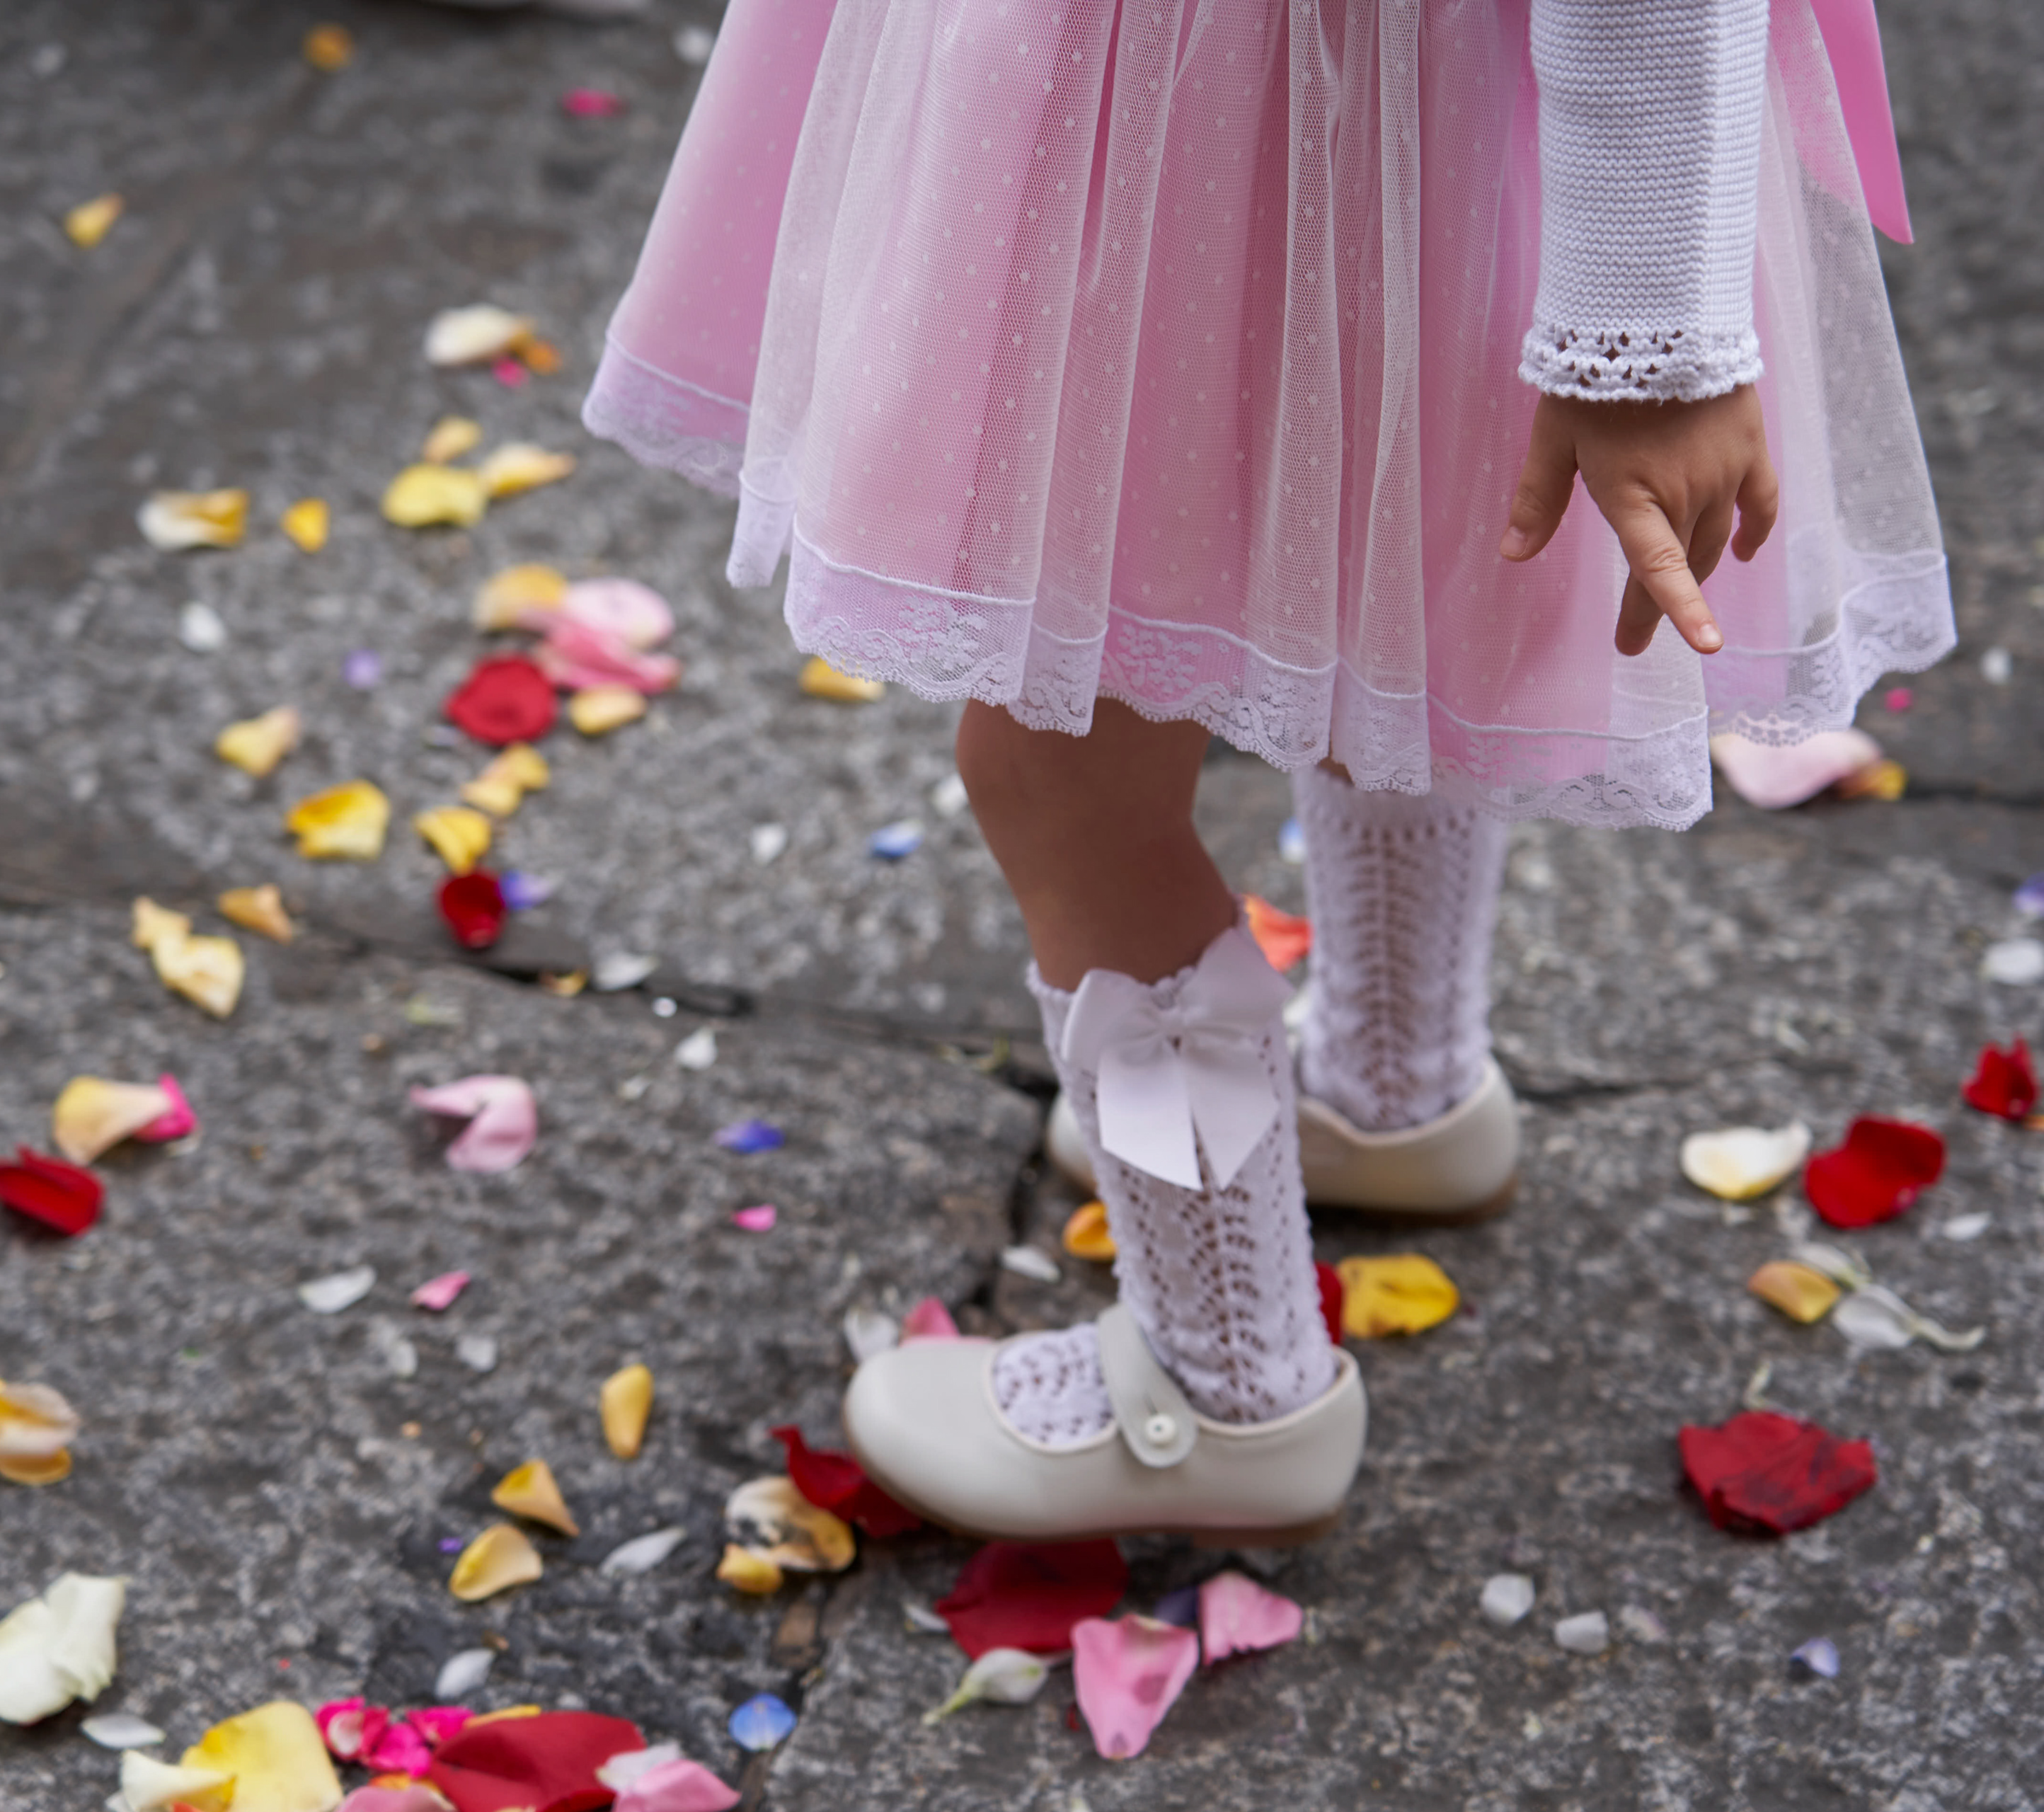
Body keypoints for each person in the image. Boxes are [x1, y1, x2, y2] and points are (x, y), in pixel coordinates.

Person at [583, 0, 1951, 1542]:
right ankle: (1398, 1087)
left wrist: (1651, 338)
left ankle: (1226, 1383)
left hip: (1208, 90)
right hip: (1316, 105)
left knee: (1059, 777)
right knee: (1386, 581)